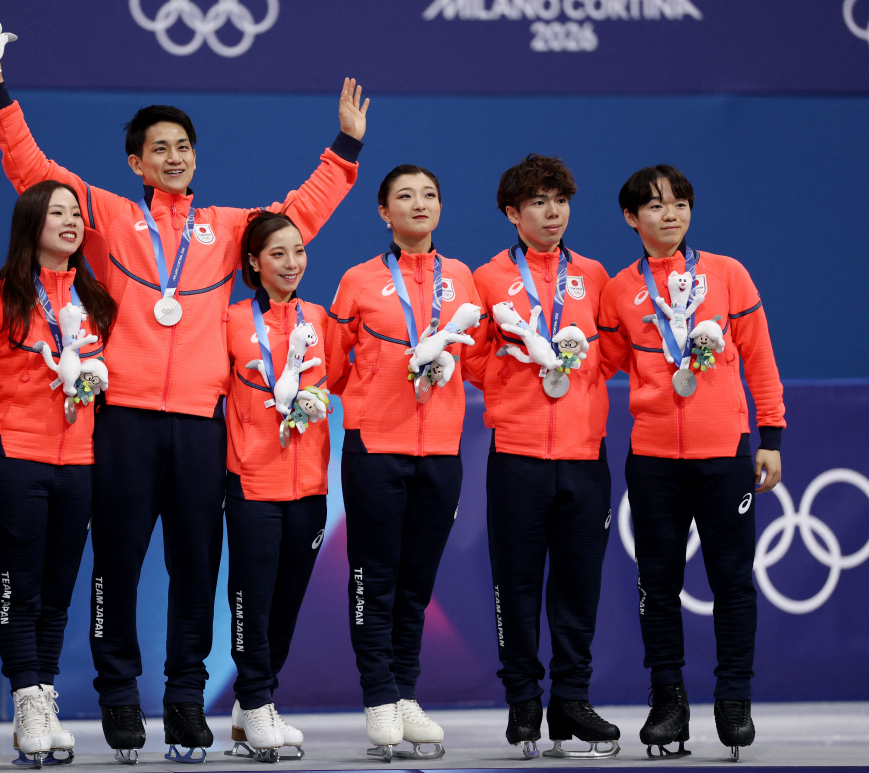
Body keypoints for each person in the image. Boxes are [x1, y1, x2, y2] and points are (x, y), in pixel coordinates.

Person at [0, 44, 368, 760]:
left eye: (184, 147)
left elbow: (298, 217)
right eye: (160, 149)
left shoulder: (226, 227)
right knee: (116, 562)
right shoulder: (110, 218)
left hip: (198, 426)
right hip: (120, 423)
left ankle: (186, 698)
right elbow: (33, 170)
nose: (175, 158)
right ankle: (119, 696)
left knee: (194, 565)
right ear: (135, 163)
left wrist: (344, 146)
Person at [598, 165, 784, 762]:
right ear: (632, 218)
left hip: (724, 453)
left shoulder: (727, 275)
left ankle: (734, 699)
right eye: (654, 206)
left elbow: (759, 360)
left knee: (732, 582)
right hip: (653, 458)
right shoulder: (619, 291)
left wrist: (771, 436)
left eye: (679, 202)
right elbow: (597, 366)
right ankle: (667, 700)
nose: (670, 213)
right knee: (658, 586)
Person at [325, 165, 482, 760]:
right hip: (376, 447)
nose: (420, 204)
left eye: (430, 195)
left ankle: (406, 693)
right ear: (384, 213)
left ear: (441, 208)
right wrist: (376, 396)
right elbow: (335, 368)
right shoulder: (359, 281)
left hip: (441, 450)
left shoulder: (463, 279)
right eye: (405, 196)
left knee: (416, 584)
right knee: (375, 576)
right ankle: (379, 698)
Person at [465, 154, 619, 759]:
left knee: (579, 585)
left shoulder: (596, 274)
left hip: (585, 454)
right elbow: (470, 358)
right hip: (518, 455)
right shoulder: (484, 279)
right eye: (538, 203)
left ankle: (571, 700)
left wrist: (575, 372)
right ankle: (523, 702)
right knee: (518, 583)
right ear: (512, 213)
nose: (552, 213)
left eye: (560, 201)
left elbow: (609, 352)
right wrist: (516, 365)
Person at [0, 180, 118, 765]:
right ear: (30, 221)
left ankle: (44, 697)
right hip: (15, 453)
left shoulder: (96, 298)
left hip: (79, 458)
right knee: (20, 584)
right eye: (56, 212)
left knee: (58, 589)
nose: (70, 221)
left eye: (76, 214)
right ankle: (26, 700)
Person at [222, 211, 331, 763]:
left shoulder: (320, 318)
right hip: (252, 480)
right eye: (278, 254)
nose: (292, 264)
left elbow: (339, 385)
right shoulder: (233, 320)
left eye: (299, 252)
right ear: (253, 263)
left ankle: (253, 708)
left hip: (310, 484)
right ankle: (257, 699)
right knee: (252, 596)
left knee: (286, 601)